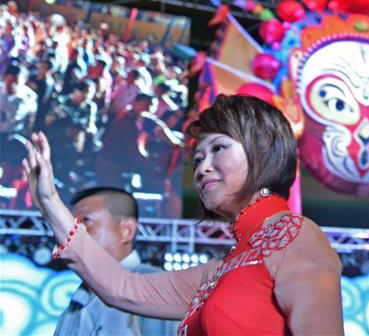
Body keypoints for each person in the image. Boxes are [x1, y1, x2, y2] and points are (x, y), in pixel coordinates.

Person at [24, 94, 344, 335]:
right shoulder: (223, 270)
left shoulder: (293, 235)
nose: (202, 167)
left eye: (218, 148)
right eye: (198, 157)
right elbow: (123, 288)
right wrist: (50, 200)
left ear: (261, 150)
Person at [54, 187, 178, 336]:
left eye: (85, 221)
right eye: (73, 225)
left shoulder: (156, 286)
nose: (74, 232)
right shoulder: (76, 301)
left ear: (127, 230)